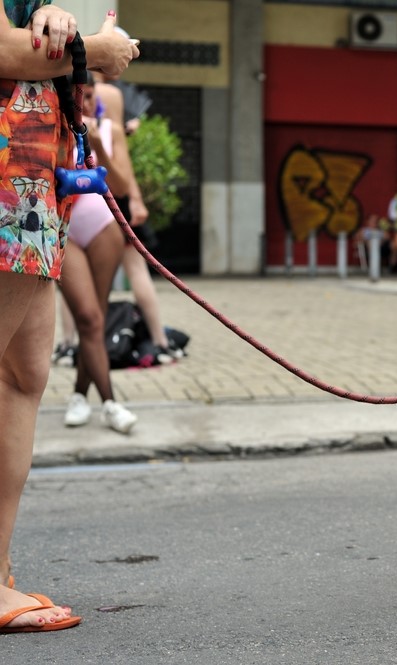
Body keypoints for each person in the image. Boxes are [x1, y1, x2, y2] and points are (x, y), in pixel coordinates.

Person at [0, 3, 137, 633]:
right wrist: (95, 52)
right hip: (8, 171)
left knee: (25, 373)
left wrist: (63, 23)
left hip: (37, 172)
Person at [59, 73, 138, 433]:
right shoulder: (53, 126)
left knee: (98, 319)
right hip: (66, 231)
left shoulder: (110, 130)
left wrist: (94, 145)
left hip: (103, 227)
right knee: (89, 318)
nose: (85, 104)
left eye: (90, 96)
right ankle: (110, 403)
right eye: (79, 96)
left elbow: (120, 185)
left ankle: (79, 394)